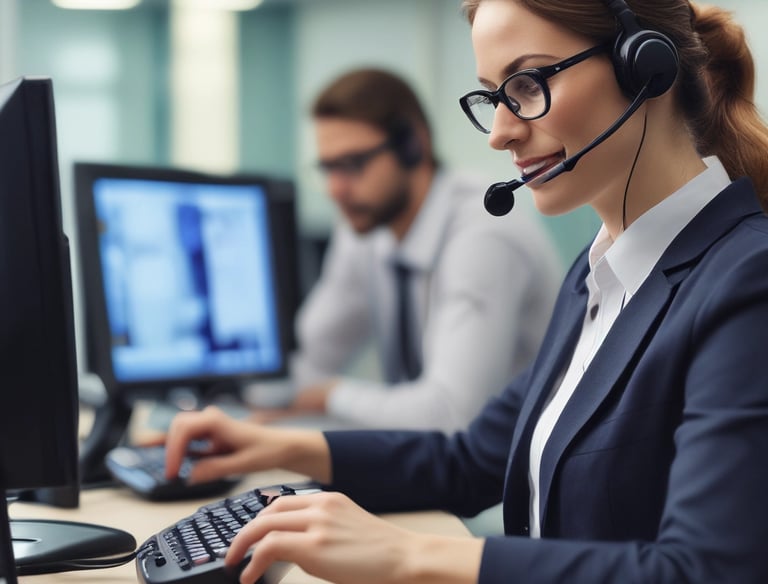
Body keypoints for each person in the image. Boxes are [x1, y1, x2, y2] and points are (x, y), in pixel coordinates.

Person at [164, 0, 768, 582]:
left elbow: (707, 570)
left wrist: (405, 557)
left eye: (528, 84)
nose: (499, 133)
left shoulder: (747, 279)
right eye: (494, 96)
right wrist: (270, 445)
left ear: (646, 68)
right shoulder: (600, 273)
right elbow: (471, 460)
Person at [263, 67, 562, 433]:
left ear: (412, 146)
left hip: (514, 460)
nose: (335, 190)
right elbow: (307, 359)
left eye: (352, 164)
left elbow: (451, 416)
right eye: (327, 168)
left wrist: (330, 396)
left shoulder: (483, 234)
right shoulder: (365, 227)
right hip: (430, 459)